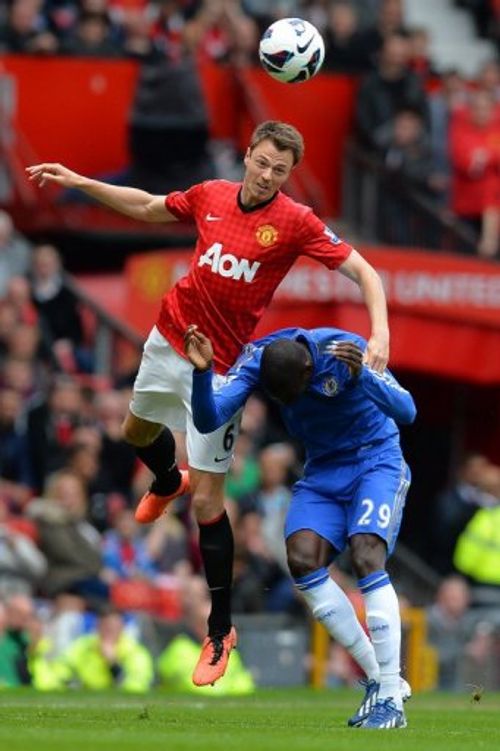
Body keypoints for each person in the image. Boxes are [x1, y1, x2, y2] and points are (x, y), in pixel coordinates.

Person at [26, 120, 390, 687]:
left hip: (221, 368)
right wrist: (79, 179)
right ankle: (167, 480)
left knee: (209, 505)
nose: (268, 176)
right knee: (134, 433)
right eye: (263, 162)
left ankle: (220, 631)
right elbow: (148, 206)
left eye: (280, 170)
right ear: (246, 155)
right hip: (168, 336)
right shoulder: (211, 195)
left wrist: (380, 335)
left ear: (289, 176)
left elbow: (364, 270)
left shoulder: (294, 221)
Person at [185, 324, 415, 729]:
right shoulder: (258, 361)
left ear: (309, 368)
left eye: (292, 391)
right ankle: (380, 681)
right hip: (324, 471)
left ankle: (392, 699)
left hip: (376, 460)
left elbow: (407, 411)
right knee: (302, 559)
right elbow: (209, 420)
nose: (288, 401)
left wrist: (366, 376)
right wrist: (202, 374)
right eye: (280, 395)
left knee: (365, 554)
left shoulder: (347, 351)